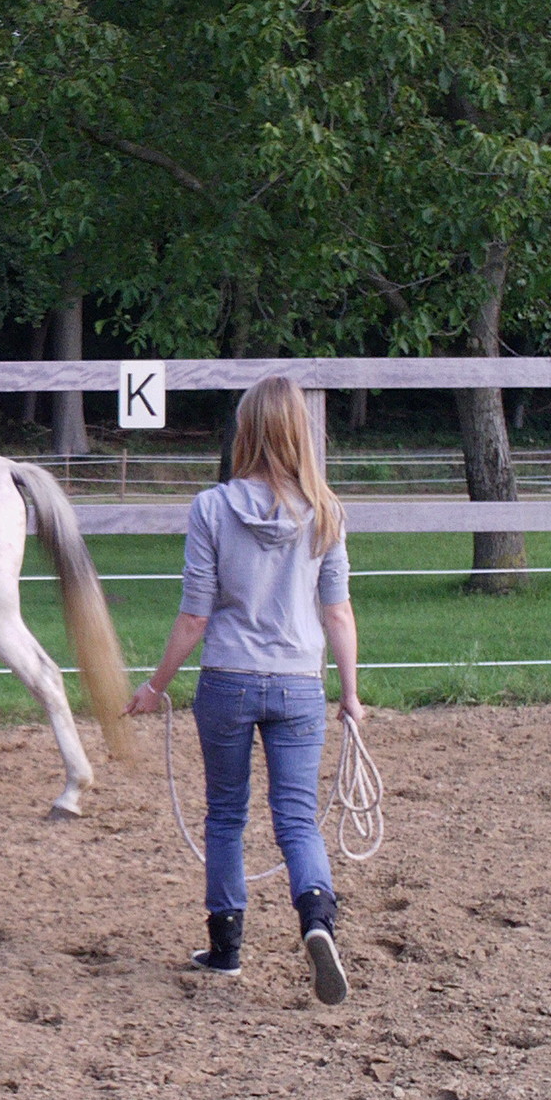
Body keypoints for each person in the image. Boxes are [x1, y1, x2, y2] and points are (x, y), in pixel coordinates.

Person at [126, 375, 362, 1003]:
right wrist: (352, 695)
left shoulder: (210, 508)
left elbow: (195, 615)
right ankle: (317, 920)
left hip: (227, 680)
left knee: (226, 816)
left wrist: (154, 686)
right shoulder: (327, 512)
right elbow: (337, 612)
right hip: (299, 684)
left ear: (246, 430)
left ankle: (226, 948)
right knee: (298, 822)